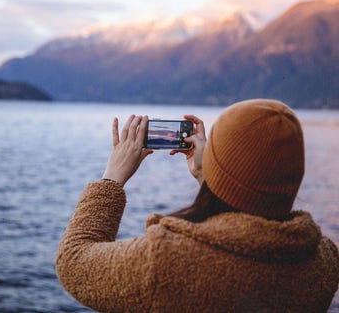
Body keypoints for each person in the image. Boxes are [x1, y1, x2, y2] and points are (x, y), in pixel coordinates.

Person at [56, 99, 339, 313]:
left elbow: (74, 262)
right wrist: (211, 179)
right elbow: (252, 211)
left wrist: (112, 178)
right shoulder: (322, 263)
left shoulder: (168, 261)